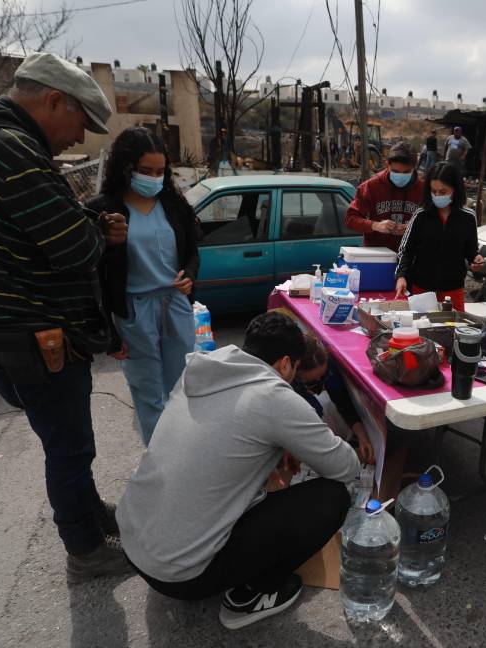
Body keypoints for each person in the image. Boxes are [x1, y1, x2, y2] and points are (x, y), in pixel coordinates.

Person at [0, 52, 131, 581]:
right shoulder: (8, 150)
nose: (79, 138)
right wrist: (96, 230)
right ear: (53, 100)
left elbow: (36, 230)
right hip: (33, 334)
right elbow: (73, 248)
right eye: (80, 121)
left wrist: (81, 221)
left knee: (67, 443)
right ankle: (85, 548)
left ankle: (88, 513)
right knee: (69, 446)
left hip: (6, 329)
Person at [116, 312, 360, 629]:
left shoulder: (202, 369)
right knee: (332, 497)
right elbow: (345, 466)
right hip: (182, 576)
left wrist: (279, 444)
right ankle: (251, 597)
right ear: (286, 363)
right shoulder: (273, 396)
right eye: (296, 370)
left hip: (135, 544)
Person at [86, 127, 199, 445]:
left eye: (161, 171)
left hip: (175, 305)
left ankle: (184, 453)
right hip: (133, 313)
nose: (155, 178)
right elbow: (93, 275)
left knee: (181, 390)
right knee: (149, 395)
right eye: (146, 171)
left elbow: (192, 252)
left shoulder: (174, 205)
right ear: (126, 168)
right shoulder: (102, 211)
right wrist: (109, 330)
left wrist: (189, 275)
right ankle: (160, 463)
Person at [395, 162, 483, 310]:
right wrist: (401, 276)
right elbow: (406, 251)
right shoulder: (420, 216)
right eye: (433, 191)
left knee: (451, 330)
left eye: (443, 192)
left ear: (455, 189)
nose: (437, 196)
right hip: (421, 290)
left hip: (453, 290)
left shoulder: (468, 217)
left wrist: (476, 261)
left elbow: (471, 252)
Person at [295, 334, 374, 464]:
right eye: (311, 380)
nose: (318, 381)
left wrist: (362, 435)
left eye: (322, 376)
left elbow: (342, 400)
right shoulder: (286, 384)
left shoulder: (329, 367)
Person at [344, 140, 424, 252]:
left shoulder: (423, 190)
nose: (401, 176)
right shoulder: (371, 187)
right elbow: (350, 219)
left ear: (414, 168)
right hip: (378, 256)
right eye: (395, 171)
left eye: (406, 172)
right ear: (387, 165)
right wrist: (375, 225)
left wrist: (415, 228)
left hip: (411, 256)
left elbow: (436, 223)